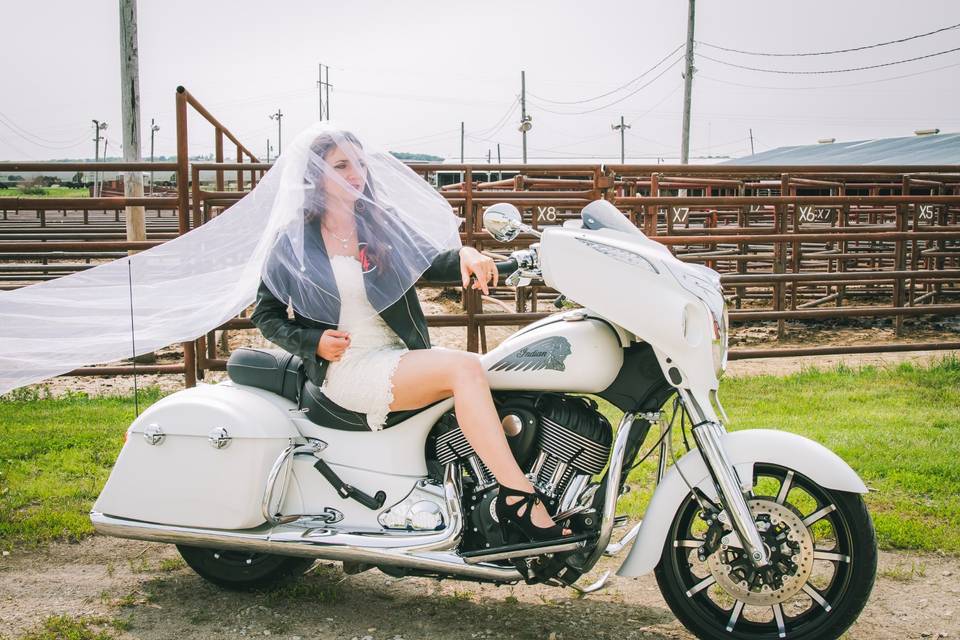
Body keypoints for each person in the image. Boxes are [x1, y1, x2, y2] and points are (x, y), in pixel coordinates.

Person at [251, 128, 569, 542]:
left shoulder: (380, 226)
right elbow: (266, 314)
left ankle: (493, 482)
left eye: (360, 164)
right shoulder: (294, 243)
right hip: (347, 367)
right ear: (315, 175)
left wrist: (468, 254)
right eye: (341, 165)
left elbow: (431, 262)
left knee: (490, 368)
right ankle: (519, 498)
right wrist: (311, 343)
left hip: (396, 354)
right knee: (465, 368)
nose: (356, 174)